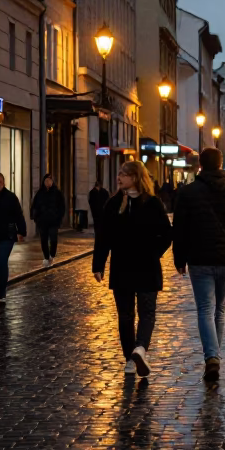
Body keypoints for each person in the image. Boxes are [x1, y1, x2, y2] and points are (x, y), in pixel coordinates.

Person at [172, 147, 225, 382]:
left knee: (205, 309)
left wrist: (179, 258)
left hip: (199, 258)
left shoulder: (188, 193)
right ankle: (214, 355)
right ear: (220, 164)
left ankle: (212, 357)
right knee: (220, 308)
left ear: (200, 165)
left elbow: (179, 229)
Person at [92, 160, 172, 378]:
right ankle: (131, 355)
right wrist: (98, 265)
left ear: (135, 177)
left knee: (146, 312)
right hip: (122, 268)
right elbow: (103, 237)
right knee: (126, 315)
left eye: (124, 174)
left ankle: (139, 350)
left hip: (147, 267)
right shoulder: (113, 204)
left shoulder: (152, 203)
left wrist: (153, 252)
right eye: (119, 173)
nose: (119, 177)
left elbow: (167, 234)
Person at [0, 172, 26, 306]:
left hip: (7, 236)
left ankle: (2, 294)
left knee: (1, 261)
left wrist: (21, 231)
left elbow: (19, 215)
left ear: (3, 182)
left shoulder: (11, 197)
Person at [31, 173, 66, 266]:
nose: (48, 182)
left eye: (50, 181)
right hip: (42, 221)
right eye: (46, 181)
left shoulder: (57, 193)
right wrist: (35, 218)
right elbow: (35, 206)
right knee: (44, 240)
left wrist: (59, 217)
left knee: (53, 239)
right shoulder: (40, 193)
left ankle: (52, 254)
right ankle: (46, 257)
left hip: (54, 221)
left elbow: (62, 207)